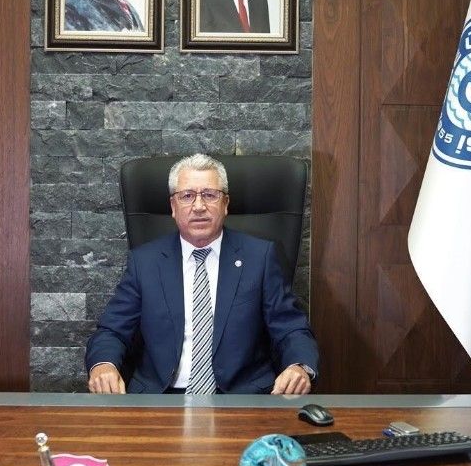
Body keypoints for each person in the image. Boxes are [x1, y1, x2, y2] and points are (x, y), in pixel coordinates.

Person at [86, 154, 318, 395]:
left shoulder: (259, 257)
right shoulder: (145, 262)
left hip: (241, 397)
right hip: (160, 398)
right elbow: (112, 330)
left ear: (225, 204)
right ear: (173, 207)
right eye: (187, 196)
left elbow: (291, 328)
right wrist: (104, 365)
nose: (198, 206)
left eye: (209, 195)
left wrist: (299, 366)